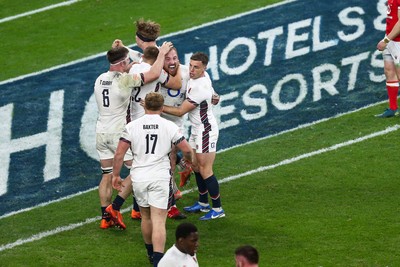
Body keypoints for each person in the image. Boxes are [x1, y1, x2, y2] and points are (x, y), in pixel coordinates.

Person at [94, 42, 174, 229]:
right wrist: (161, 53)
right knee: (137, 169)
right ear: (122, 64)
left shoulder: (99, 79)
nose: (130, 65)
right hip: (117, 132)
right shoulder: (125, 79)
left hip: (100, 131)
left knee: (106, 175)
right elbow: (153, 74)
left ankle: (105, 218)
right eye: (128, 62)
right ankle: (115, 209)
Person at [108, 92, 193, 266]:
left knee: (146, 218)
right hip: (160, 177)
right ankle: (158, 261)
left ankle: (150, 254)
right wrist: (188, 163)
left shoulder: (132, 126)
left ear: (144, 106)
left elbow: (119, 154)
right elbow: (186, 149)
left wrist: (116, 176)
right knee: (159, 221)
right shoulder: (169, 126)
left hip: (139, 177)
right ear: (162, 108)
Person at [162, 52, 225, 221]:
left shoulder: (200, 87)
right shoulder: (202, 78)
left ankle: (218, 209)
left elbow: (181, 111)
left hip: (206, 130)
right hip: (197, 130)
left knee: (205, 169)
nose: (191, 70)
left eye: (196, 67)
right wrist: (215, 96)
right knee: (196, 167)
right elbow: (213, 94)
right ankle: (203, 203)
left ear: (204, 68)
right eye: (190, 65)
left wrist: (158, 107)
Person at [376, 0, 400, 118]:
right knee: (389, 71)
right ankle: (393, 108)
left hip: (398, 42)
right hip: (390, 39)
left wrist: (386, 41)